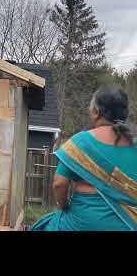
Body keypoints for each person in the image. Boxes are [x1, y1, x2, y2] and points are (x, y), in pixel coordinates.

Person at [31, 84, 137, 231]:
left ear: (96, 111)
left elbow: (59, 184)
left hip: (84, 223)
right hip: (129, 225)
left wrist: (64, 207)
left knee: (42, 226)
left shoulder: (80, 143)